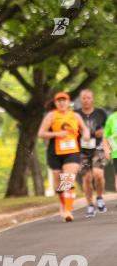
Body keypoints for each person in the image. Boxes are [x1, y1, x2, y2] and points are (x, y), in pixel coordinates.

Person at [38, 92, 90, 222]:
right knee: (59, 185)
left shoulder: (75, 116)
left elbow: (85, 129)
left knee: (68, 179)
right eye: (59, 101)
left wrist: (86, 135)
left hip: (72, 151)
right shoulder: (51, 116)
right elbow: (41, 133)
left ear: (68, 102)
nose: (61, 103)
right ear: (55, 103)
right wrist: (57, 133)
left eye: (64, 100)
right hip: (55, 151)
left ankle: (68, 210)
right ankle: (63, 203)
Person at [77, 89, 107, 217]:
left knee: (98, 174)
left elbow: (109, 127)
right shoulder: (75, 114)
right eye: (84, 98)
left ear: (92, 99)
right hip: (82, 150)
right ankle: (90, 205)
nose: (86, 100)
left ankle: (99, 197)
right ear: (80, 100)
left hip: (98, 147)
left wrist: (103, 132)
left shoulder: (100, 113)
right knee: (87, 178)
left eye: (88, 98)